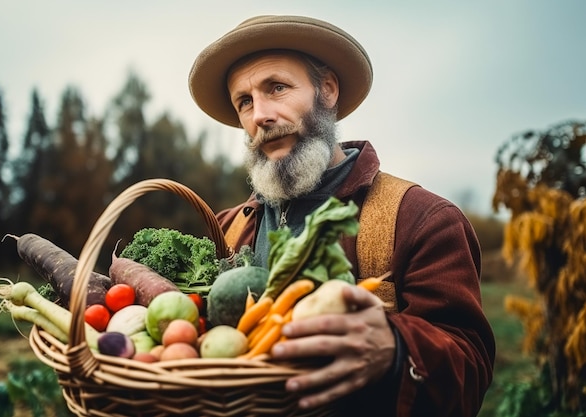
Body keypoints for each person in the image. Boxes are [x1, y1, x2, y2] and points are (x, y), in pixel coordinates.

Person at [189, 15, 495, 416]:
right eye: (244, 102)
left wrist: (397, 350)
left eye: (277, 88)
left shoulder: (423, 219)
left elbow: (469, 369)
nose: (259, 115)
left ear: (327, 90)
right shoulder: (227, 228)